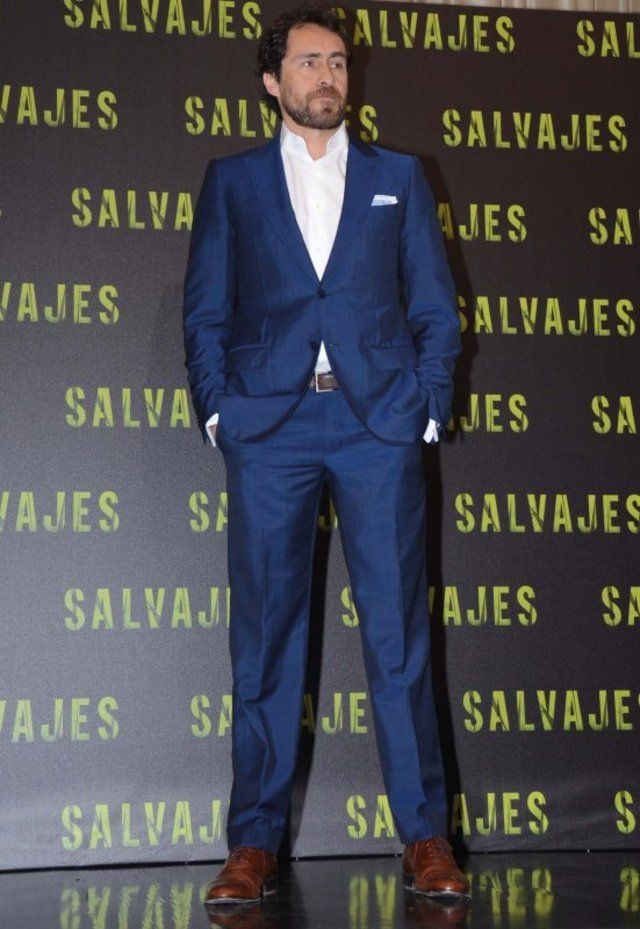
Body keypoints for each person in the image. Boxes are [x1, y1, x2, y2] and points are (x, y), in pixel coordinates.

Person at [183, 3, 469, 907]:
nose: (328, 76)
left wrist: (425, 405)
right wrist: (220, 412)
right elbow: (206, 309)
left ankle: (425, 836)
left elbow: (436, 305)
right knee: (266, 642)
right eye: (309, 62)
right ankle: (253, 843)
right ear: (273, 81)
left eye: (338, 61)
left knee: (398, 639)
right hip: (270, 429)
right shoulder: (232, 180)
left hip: (376, 425)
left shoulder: (398, 176)